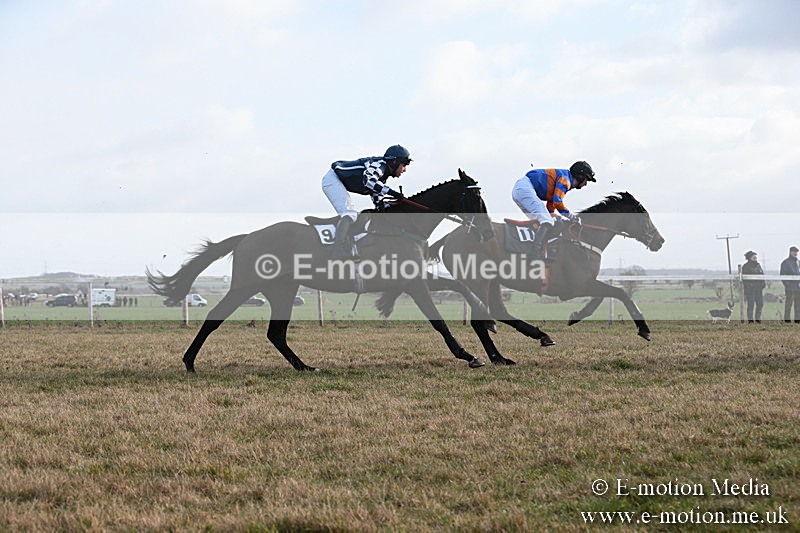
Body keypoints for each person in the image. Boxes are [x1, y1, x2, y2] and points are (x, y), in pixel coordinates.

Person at [322, 145, 411, 259]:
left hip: (339, 181)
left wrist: (394, 205)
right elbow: (369, 180)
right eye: (404, 165)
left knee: (356, 213)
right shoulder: (379, 165)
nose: (404, 170)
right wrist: (392, 192)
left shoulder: (383, 176)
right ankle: (338, 250)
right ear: (394, 162)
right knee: (350, 213)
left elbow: (378, 201)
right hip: (332, 179)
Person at [511, 161, 596, 261]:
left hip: (522, 189)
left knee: (548, 221)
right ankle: (534, 256)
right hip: (525, 189)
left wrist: (559, 218)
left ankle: (540, 251)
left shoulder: (563, 180)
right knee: (546, 221)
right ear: (580, 176)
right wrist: (572, 217)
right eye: (586, 179)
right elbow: (558, 203)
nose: (586, 184)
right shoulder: (565, 181)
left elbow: (550, 209)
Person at [741, 251, 765, 323]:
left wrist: (763, 283)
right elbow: (745, 279)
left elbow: (762, 275)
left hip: (759, 289)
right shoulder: (745, 267)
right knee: (751, 304)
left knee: (760, 303)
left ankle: (758, 319)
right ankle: (750, 320)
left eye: (756, 257)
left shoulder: (758, 266)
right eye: (754, 257)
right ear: (749, 258)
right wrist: (750, 286)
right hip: (750, 289)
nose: (755, 258)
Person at [779, 245, 800, 323]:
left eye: (796, 252)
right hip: (790, 287)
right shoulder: (785, 263)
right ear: (790, 252)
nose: (795, 253)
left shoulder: (798, 262)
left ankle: (797, 319)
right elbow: (783, 275)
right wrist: (787, 285)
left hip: (798, 287)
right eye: (794, 252)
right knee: (789, 303)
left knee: (798, 304)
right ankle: (787, 319)